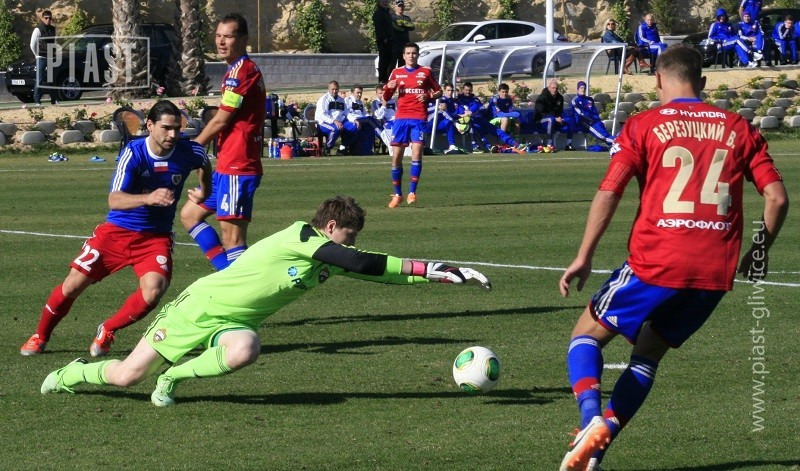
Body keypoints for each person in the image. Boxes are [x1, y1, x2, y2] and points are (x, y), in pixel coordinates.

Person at [557, 45, 787, 471]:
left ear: (659, 79)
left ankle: (590, 419)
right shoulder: (738, 127)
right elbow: (777, 198)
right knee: (647, 356)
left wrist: (584, 255)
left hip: (657, 259)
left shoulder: (643, 124)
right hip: (714, 271)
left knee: (585, 335)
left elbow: (610, 190)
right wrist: (759, 251)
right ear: (703, 82)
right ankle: (596, 452)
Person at [40, 195, 492, 407]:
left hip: (231, 323)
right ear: (330, 227)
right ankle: (70, 374)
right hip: (198, 308)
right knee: (126, 377)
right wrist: (431, 267)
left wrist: (441, 273)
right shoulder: (301, 236)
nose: (351, 243)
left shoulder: (327, 258)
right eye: (349, 235)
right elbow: (360, 261)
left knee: (246, 348)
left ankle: (172, 378)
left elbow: (382, 272)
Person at [20, 101, 212, 357]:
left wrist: (205, 191)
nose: (173, 134)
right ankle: (40, 335)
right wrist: (148, 198)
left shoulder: (189, 150)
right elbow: (114, 199)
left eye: (177, 128)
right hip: (117, 233)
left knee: (154, 291)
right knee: (73, 285)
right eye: (166, 128)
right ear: (150, 125)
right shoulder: (134, 153)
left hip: (155, 238)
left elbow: (204, 163)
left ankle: (108, 329)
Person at [181, 14, 266, 271]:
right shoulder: (235, 70)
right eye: (218, 36)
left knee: (233, 239)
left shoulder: (242, 71)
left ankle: (240, 290)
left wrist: (193, 148)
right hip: (226, 165)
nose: (221, 42)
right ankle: (225, 277)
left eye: (228, 36)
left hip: (239, 166)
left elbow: (221, 120)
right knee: (190, 215)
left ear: (243, 39)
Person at [383, 42, 442, 207]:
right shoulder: (396, 72)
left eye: (414, 53)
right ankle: (397, 194)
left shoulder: (426, 72)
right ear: (403, 56)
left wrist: (428, 96)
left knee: (416, 153)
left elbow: (438, 91)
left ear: (418, 55)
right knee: (396, 157)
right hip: (401, 118)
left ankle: (412, 192)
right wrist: (388, 87)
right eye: (408, 53)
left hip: (418, 118)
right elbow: (386, 97)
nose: (411, 56)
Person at [456, 82, 525, 154]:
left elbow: (479, 106)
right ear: (463, 90)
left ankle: (515, 144)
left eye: (470, 90)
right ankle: (485, 146)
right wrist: (463, 114)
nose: (468, 92)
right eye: (466, 90)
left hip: (479, 118)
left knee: (497, 130)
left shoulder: (474, 98)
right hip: (472, 120)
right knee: (476, 127)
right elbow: (458, 109)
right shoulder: (459, 98)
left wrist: (471, 111)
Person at [567, 81, 616, 151]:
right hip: (584, 122)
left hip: (595, 121)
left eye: (584, 88)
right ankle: (617, 143)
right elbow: (580, 114)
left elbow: (594, 112)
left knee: (604, 133)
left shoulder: (589, 99)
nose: (583, 89)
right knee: (601, 135)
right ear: (577, 89)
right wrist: (591, 120)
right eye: (581, 88)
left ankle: (615, 143)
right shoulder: (575, 100)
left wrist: (597, 120)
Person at [315, 80, 359, 155]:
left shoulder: (341, 100)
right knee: (335, 128)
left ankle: (342, 148)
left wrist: (355, 120)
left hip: (339, 122)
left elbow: (346, 112)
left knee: (355, 126)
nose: (334, 91)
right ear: (328, 89)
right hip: (323, 123)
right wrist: (334, 121)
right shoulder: (324, 99)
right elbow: (323, 115)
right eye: (332, 89)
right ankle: (327, 148)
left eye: (336, 89)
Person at [30, 10, 57, 106]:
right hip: (41, 57)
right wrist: (36, 55)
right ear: (42, 18)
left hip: (50, 57)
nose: (48, 20)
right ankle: (37, 101)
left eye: (50, 18)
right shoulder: (38, 29)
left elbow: (54, 42)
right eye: (46, 18)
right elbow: (32, 44)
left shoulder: (53, 29)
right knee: (40, 79)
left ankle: (54, 100)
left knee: (52, 79)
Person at [345, 84, 382, 155]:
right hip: (353, 120)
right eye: (357, 93)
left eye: (360, 93)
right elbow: (347, 113)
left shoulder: (360, 102)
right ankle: (381, 135)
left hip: (362, 119)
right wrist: (354, 120)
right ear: (352, 93)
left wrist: (371, 118)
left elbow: (365, 114)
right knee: (369, 120)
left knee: (369, 128)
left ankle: (367, 150)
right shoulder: (347, 100)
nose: (359, 95)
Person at [529, 78, 565, 151]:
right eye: (553, 88)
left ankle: (569, 144)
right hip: (540, 120)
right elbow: (541, 112)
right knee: (551, 120)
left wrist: (559, 118)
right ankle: (549, 144)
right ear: (549, 88)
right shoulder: (542, 98)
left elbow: (560, 111)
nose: (555, 90)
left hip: (554, 119)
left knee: (570, 120)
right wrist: (555, 118)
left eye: (556, 88)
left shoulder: (560, 98)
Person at [426, 82, 460, 154]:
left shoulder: (441, 100)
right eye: (430, 90)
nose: (432, 92)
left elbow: (444, 112)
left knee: (448, 122)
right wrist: (436, 107)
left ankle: (452, 145)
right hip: (428, 124)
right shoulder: (425, 99)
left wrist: (455, 123)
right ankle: (425, 147)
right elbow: (425, 110)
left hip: (438, 124)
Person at [373, 0, 394, 83]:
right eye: (383, 1)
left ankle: (387, 77)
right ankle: (382, 79)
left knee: (389, 60)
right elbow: (379, 27)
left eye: (386, 1)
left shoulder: (387, 12)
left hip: (390, 40)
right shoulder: (378, 13)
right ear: (379, 2)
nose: (385, 3)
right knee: (383, 60)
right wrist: (384, 38)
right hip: (383, 40)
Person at [390, 0, 415, 68]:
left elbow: (412, 27)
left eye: (402, 6)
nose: (400, 8)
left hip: (404, 44)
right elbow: (395, 27)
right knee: (391, 64)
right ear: (395, 7)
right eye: (399, 6)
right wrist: (404, 26)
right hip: (394, 45)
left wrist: (402, 24)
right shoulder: (392, 17)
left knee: (403, 65)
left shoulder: (407, 18)